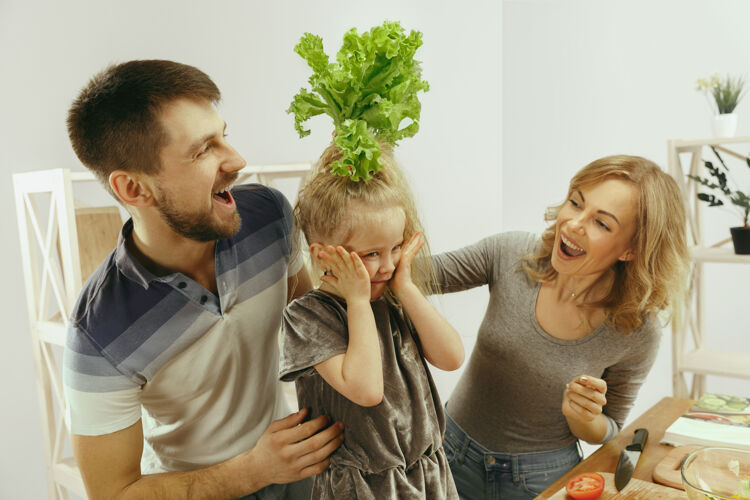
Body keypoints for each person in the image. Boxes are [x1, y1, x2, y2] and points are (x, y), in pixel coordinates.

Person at [63, 59, 343, 500]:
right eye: (202, 150)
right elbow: (112, 493)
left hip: (298, 469)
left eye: (223, 136)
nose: (236, 160)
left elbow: (313, 328)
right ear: (134, 189)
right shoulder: (98, 333)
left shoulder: (268, 216)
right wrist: (253, 469)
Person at [432, 155, 691, 499]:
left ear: (630, 249)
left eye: (602, 223)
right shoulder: (509, 253)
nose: (572, 224)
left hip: (540, 477)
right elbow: (412, 274)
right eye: (575, 202)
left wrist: (583, 417)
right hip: (450, 453)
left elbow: (609, 427)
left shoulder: (637, 330)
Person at [278, 21, 463, 499]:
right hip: (363, 486)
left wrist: (406, 286)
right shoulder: (309, 315)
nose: (384, 265)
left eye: (395, 247)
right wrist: (359, 302)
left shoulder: (395, 297)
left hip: (426, 471)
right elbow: (365, 389)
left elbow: (451, 355)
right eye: (369, 255)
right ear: (322, 255)